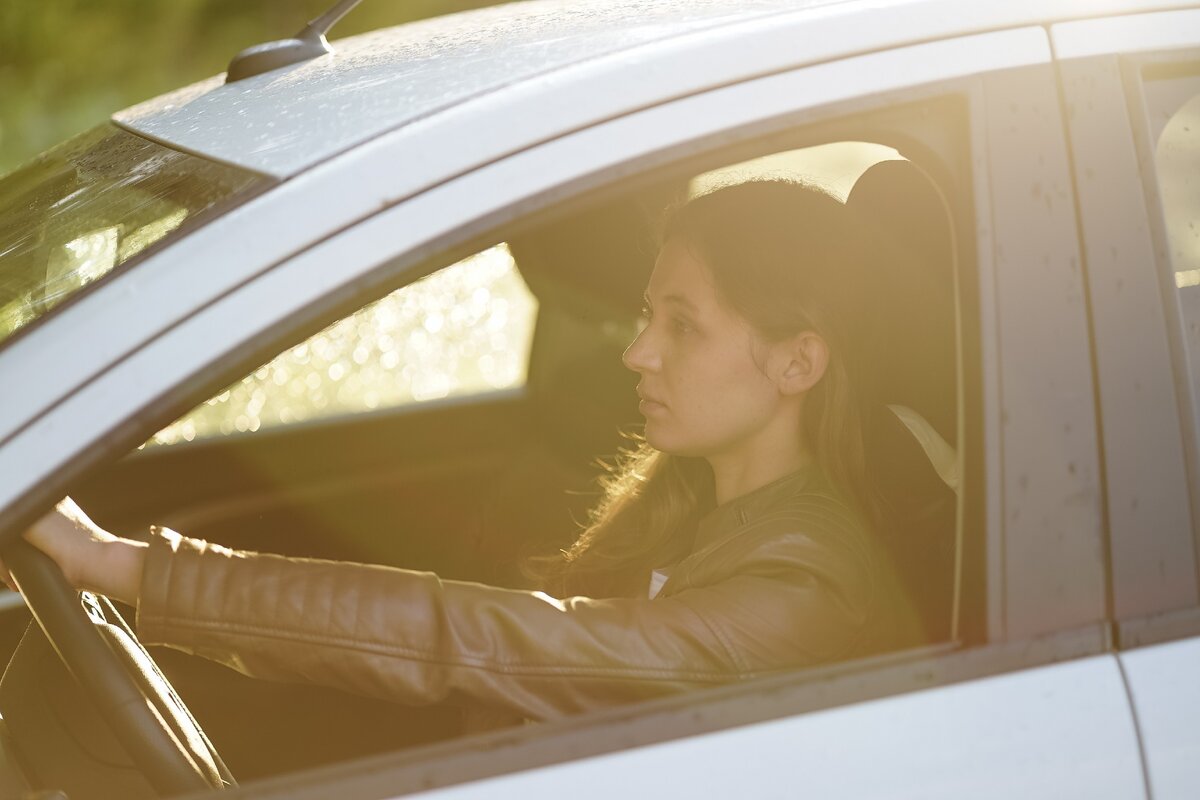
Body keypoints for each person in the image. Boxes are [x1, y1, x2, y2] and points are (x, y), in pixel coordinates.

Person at [11, 179, 917, 725]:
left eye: (683, 325)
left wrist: (128, 568)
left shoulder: (805, 593)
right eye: (649, 314)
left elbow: (474, 641)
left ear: (799, 360)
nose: (638, 352)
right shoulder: (701, 507)